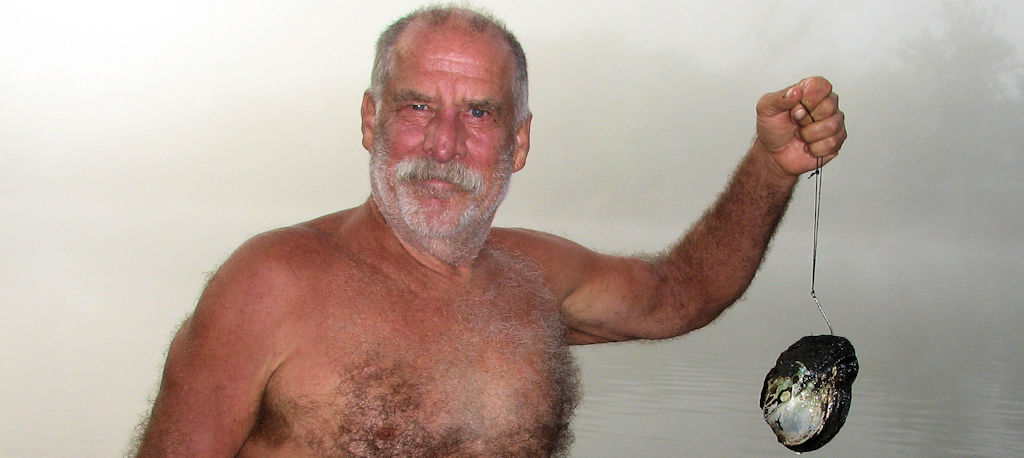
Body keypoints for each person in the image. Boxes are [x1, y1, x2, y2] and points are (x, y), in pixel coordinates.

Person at [133, 5, 845, 457]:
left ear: (519, 143)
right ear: (371, 120)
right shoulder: (269, 285)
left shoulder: (534, 278)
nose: (442, 145)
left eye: (478, 113)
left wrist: (772, 166)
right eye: (417, 106)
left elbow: (680, 294)